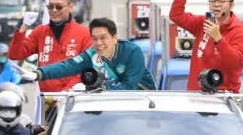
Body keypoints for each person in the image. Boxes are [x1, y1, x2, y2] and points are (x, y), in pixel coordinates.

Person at [169, 0, 243, 93]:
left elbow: (235, 63)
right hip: (196, 95)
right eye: (213, 1)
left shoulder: (239, 31)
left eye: (221, 1)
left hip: (224, 97)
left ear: (231, 5)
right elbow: (176, 16)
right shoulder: (202, 23)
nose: (216, 5)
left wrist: (218, 38)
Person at [24, 18, 155, 90]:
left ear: (115, 38)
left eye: (103, 38)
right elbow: (67, 66)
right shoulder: (91, 54)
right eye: (94, 38)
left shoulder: (132, 52)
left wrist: (100, 88)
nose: (98, 43)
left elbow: (129, 87)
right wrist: (39, 73)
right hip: (109, 103)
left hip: (140, 103)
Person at [7, 0, 92, 92]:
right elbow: (15, 55)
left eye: (59, 7)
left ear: (71, 7)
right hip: (46, 99)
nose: (54, 10)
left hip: (71, 98)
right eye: (50, 6)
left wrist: (66, 92)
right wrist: (23, 27)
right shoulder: (40, 32)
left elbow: (87, 68)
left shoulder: (84, 34)